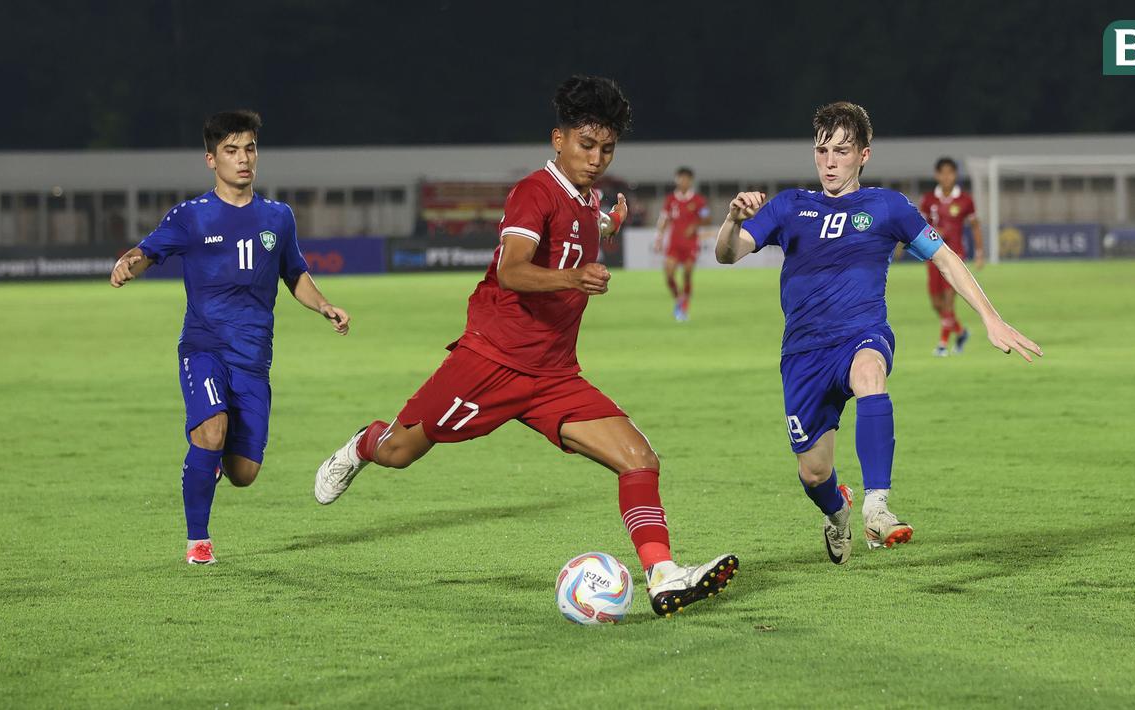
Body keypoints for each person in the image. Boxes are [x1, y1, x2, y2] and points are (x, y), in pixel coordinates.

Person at [314, 76, 737, 616]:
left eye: (607, 148)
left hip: (554, 375)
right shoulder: (533, 191)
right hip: (490, 361)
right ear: (557, 139)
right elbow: (513, 270)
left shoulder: (588, 198)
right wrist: (575, 277)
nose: (597, 158)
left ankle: (662, 575)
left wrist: (606, 226)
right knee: (399, 452)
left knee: (639, 459)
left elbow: (577, 231)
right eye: (587, 146)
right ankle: (361, 445)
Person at [713, 102, 1041, 564]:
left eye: (842, 151)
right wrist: (732, 220)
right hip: (804, 354)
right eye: (822, 150)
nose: (830, 161)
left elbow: (945, 258)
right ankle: (839, 510)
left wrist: (990, 317)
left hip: (862, 333)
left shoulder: (888, 207)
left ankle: (876, 506)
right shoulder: (789, 206)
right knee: (813, 472)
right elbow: (728, 254)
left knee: (870, 373)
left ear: (863, 155)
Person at [110, 110, 351, 565]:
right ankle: (198, 541)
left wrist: (324, 305)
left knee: (244, 473)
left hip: (253, 359)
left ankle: (211, 466)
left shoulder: (278, 217)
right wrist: (130, 262)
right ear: (210, 159)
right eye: (231, 150)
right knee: (211, 427)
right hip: (204, 347)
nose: (243, 159)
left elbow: (294, 272)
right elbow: (148, 250)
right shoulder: (192, 216)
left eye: (250, 148)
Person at [919, 157, 984, 356]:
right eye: (943, 173)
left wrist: (980, 252)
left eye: (950, 173)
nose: (947, 177)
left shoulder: (965, 200)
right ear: (937, 175)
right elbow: (920, 227)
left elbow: (974, 226)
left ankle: (942, 345)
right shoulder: (929, 200)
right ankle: (961, 332)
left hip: (956, 256)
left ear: (955, 175)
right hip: (933, 256)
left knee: (948, 301)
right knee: (936, 304)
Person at [654, 167, 711, 321]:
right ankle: (679, 299)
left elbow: (707, 218)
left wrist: (695, 225)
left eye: (686, 179)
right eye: (680, 178)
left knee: (687, 273)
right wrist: (659, 237)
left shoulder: (698, 200)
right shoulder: (671, 200)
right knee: (669, 274)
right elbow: (663, 220)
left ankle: (683, 305)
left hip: (691, 244)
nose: (683, 181)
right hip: (674, 243)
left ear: (690, 181)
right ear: (677, 180)